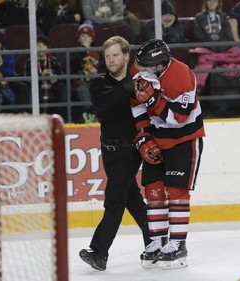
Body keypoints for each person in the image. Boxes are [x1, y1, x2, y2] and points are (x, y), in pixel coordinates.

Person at [130, 39, 205, 269]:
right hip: (158, 139)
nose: (139, 69)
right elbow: (137, 106)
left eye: (144, 65)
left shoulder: (181, 74)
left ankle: (178, 244)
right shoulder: (142, 72)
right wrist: (143, 136)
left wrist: (154, 99)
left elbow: (178, 119)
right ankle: (157, 241)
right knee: (152, 191)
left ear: (159, 64)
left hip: (185, 139)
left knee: (176, 191)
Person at [78, 35, 151, 271]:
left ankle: (99, 252)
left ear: (126, 56)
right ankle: (156, 242)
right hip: (108, 150)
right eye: (107, 56)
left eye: (116, 55)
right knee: (133, 200)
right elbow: (102, 104)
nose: (111, 59)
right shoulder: (99, 83)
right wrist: (125, 89)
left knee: (114, 200)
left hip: (130, 151)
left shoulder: (139, 82)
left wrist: (131, 86)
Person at [70, 20, 100, 123]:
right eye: (82, 36)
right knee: (83, 88)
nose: (85, 38)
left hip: (95, 79)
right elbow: (72, 65)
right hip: (81, 80)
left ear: (92, 39)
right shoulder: (75, 52)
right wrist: (83, 50)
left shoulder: (98, 51)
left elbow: (104, 68)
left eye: (88, 36)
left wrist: (97, 70)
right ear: (78, 39)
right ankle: (90, 114)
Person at [23, 35, 67, 106]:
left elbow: (61, 76)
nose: (41, 47)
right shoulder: (29, 62)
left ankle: (63, 112)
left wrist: (55, 79)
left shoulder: (53, 61)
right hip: (38, 85)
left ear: (47, 48)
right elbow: (27, 80)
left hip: (52, 85)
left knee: (61, 87)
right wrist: (40, 77)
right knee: (28, 90)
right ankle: (31, 112)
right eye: (38, 45)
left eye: (43, 45)